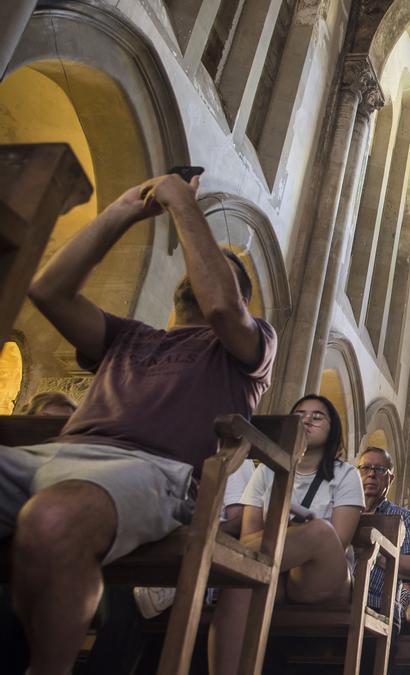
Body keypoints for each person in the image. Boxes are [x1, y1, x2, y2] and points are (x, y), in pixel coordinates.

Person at [0, 172, 276, 674]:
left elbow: (219, 304)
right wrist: (124, 210)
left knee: (56, 520)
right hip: (55, 456)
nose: (200, 272)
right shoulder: (127, 336)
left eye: (219, 266)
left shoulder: (245, 349)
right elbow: (48, 291)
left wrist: (180, 204)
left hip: (153, 473)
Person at [209, 394, 365, 674]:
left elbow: (338, 541)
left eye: (317, 416)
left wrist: (282, 525)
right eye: (300, 414)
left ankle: (207, 560)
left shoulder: (346, 475)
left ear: (333, 430)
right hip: (274, 575)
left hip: (321, 576)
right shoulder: (265, 473)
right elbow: (248, 542)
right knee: (241, 576)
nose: (307, 420)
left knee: (319, 529)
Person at [357, 446, 410, 619]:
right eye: (366, 468)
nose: (371, 474)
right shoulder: (343, 510)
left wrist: (375, 554)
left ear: (390, 478)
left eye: (380, 469)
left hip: (378, 607)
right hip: (334, 598)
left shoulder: (405, 519)